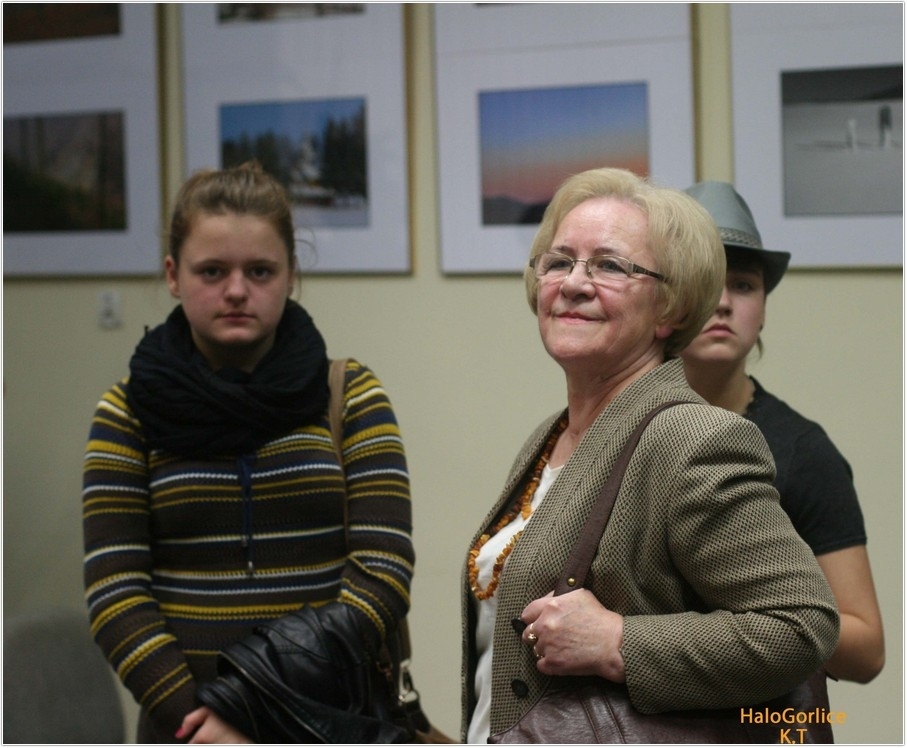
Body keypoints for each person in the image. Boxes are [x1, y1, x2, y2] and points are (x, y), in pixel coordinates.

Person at [461, 167, 840, 743]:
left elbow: (800, 624)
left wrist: (617, 642)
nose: (574, 283)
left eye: (611, 266)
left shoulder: (693, 439)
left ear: (672, 309)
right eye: (559, 261)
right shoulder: (550, 436)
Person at [82, 162, 414, 743]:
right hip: (186, 730)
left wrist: (248, 707)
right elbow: (115, 592)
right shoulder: (126, 413)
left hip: (326, 720)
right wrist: (200, 723)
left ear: (291, 276)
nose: (236, 290)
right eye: (212, 270)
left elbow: (382, 575)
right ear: (173, 275)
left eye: (260, 271)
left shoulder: (350, 394)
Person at [680, 180, 885, 684]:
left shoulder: (801, 450)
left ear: (764, 309)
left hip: (757, 718)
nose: (722, 303)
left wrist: (767, 613)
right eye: (705, 281)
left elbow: (867, 650)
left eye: (743, 285)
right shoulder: (615, 425)